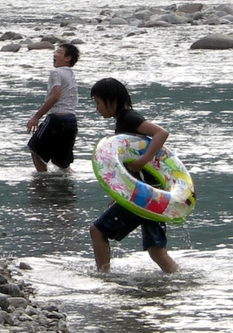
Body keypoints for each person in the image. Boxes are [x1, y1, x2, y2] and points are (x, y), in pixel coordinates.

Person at [89, 77, 179, 273]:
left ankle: (103, 276)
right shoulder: (124, 121)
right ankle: (180, 277)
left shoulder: (129, 119)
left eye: (97, 102)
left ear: (111, 101)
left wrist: (142, 161)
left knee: (97, 231)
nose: (97, 108)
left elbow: (161, 133)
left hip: (144, 195)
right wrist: (120, 195)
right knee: (157, 251)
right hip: (153, 194)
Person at [26, 43, 79, 173]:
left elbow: (55, 96)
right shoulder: (70, 74)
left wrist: (36, 117)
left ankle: (42, 183)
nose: (54, 54)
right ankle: (66, 185)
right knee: (61, 161)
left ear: (68, 58)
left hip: (56, 119)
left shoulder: (56, 72)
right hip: (71, 121)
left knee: (35, 149)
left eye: (59, 52)